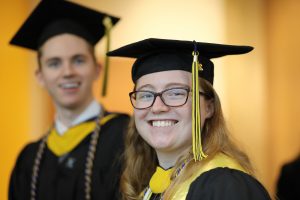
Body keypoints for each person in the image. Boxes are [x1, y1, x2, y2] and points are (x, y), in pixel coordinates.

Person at [107, 38, 272, 200]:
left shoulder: (224, 185)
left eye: (176, 93)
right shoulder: (150, 189)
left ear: (209, 107)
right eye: (146, 94)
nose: (157, 107)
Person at [9, 1, 129, 200]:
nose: (67, 72)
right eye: (54, 63)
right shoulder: (29, 158)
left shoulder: (128, 137)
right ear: (40, 76)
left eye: (78, 60)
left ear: (97, 69)